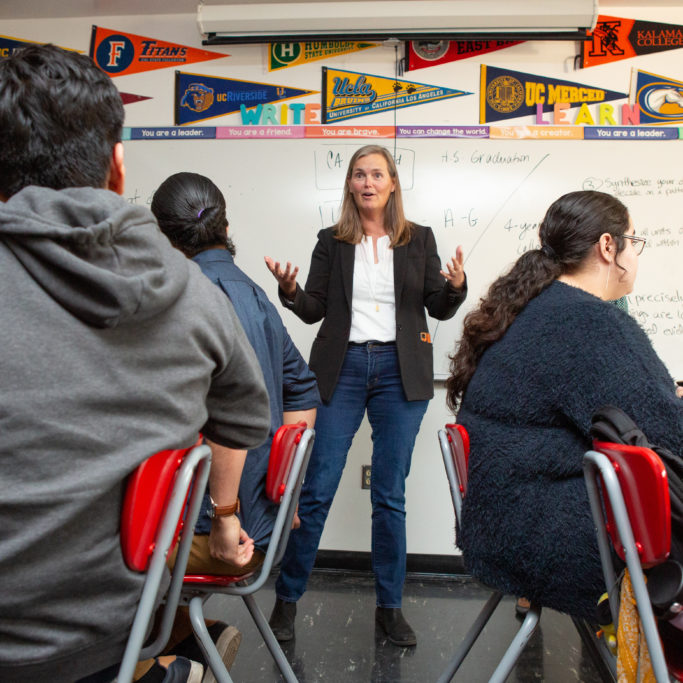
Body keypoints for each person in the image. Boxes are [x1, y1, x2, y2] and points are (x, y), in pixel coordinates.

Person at [0, 45, 270, 683]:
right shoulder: (202, 299)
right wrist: (227, 518)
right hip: (119, 629)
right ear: (118, 170)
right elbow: (244, 416)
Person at [446, 190, 683, 620]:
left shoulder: (532, 306)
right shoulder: (589, 321)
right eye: (636, 241)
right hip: (548, 534)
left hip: (498, 521)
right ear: (608, 247)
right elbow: (669, 434)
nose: (637, 253)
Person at [264, 144, 468, 646]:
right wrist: (290, 291)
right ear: (350, 184)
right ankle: (287, 602)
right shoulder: (330, 241)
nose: (368, 182)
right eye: (359, 174)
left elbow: (438, 307)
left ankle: (390, 608)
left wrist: (458, 286)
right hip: (344, 368)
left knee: (389, 495)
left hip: (402, 373)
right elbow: (312, 310)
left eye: (377, 174)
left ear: (392, 183)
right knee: (316, 490)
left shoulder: (419, 239)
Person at [150, 171, 320, 573]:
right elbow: (301, 390)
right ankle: (192, 636)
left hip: (218, 536)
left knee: (86, 551)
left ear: (164, 239)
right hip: (267, 528)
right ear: (225, 228)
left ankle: (184, 636)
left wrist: (224, 516)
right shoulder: (257, 297)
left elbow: (230, 404)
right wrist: (287, 494)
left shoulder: (184, 298)